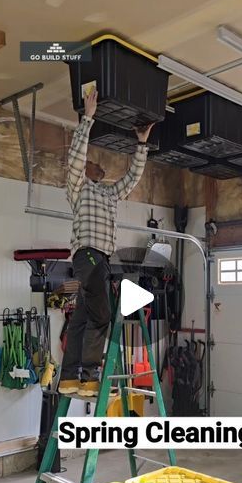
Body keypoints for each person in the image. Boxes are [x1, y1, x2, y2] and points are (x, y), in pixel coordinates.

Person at [59, 89, 153, 397]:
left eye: (96, 162)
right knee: (102, 315)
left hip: (99, 259)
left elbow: (133, 177)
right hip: (87, 256)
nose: (96, 164)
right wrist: (88, 116)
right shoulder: (78, 189)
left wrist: (141, 143)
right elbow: (75, 157)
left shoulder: (109, 194)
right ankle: (91, 375)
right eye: (91, 162)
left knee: (82, 319)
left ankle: (71, 377)